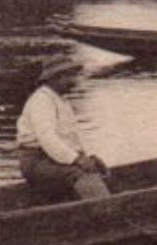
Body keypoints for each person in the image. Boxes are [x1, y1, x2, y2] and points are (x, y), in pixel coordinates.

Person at [16, 56, 111, 201]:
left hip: (52, 159)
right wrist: (76, 160)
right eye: (70, 75)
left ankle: (94, 204)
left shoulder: (60, 100)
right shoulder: (41, 101)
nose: (74, 80)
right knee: (82, 175)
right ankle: (107, 214)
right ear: (56, 77)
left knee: (93, 170)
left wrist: (88, 156)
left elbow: (71, 136)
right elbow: (48, 139)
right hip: (37, 163)